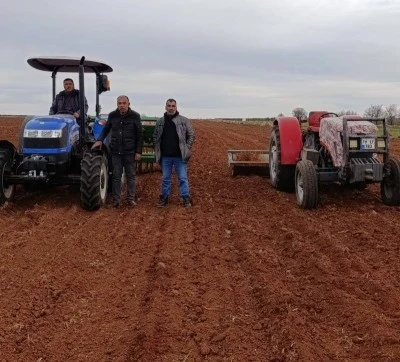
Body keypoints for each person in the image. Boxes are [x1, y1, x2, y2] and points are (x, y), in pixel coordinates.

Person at [92, 95, 143, 208]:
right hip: (116, 152)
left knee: (130, 176)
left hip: (129, 152)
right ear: (117, 104)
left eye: (124, 103)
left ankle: (130, 199)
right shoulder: (112, 115)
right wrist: (99, 140)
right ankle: (116, 200)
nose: (122, 105)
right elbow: (106, 129)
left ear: (129, 104)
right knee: (116, 176)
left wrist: (138, 151)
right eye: (120, 103)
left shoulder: (135, 116)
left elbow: (139, 135)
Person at [153, 98, 195, 208]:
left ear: (176, 107)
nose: (171, 108)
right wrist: (158, 149)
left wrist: (187, 147)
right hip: (165, 156)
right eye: (169, 106)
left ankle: (185, 198)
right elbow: (156, 136)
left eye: (173, 106)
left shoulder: (184, 120)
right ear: (165, 107)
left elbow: (191, 135)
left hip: (179, 156)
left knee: (182, 178)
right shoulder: (160, 122)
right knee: (166, 178)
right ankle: (164, 198)